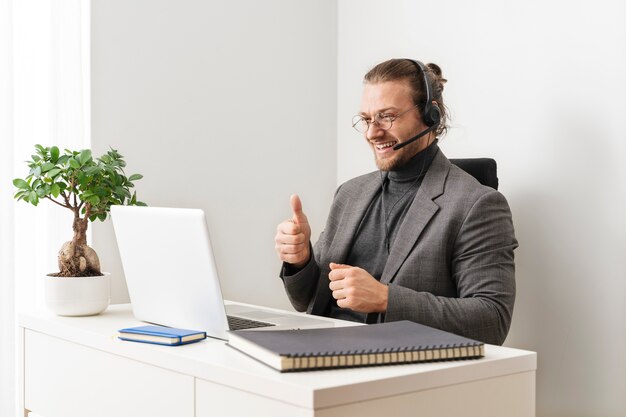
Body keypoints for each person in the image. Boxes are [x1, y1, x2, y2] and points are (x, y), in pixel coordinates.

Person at [274, 58, 517, 345]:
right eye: (366, 119)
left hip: (397, 368)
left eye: (386, 117)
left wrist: (385, 299)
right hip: (321, 348)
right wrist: (300, 261)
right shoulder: (350, 194)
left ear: (431, 115)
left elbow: (491, 321)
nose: (372, 133)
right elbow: (308, 302)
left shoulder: (476, 205)